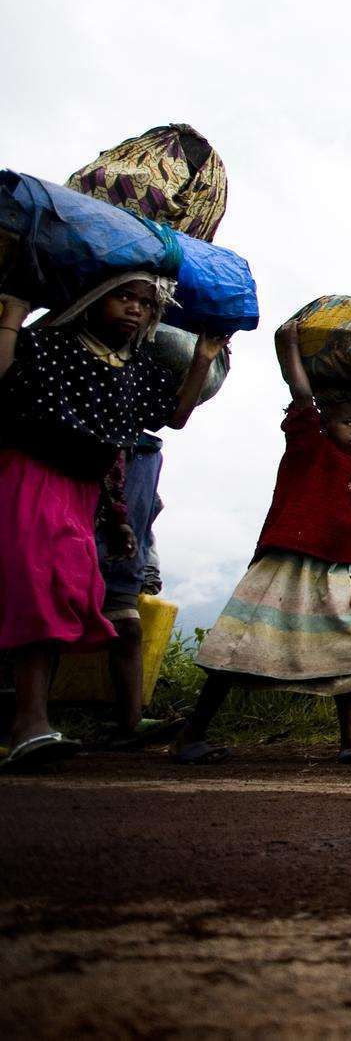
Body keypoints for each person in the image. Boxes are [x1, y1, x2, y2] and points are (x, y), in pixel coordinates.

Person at [169, 319, 351, 764]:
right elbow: (302, 397)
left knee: (347, 647)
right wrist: (288, 345)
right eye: (348, 421)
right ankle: (191, 734)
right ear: (327, 421)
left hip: (338, 564)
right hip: (289, 556)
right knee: (238, 643)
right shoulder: (309, 443)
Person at [0, 276, 225, 771]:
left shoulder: (134, 366)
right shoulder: (52, 342)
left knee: (63, 592)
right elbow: (6, 381)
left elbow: (173, 416)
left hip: (83, 490)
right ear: (91, 297)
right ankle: (30, 723)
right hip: (34, 471)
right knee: (37, 592)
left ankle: (26, 722)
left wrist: (204, 358)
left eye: (147, 304)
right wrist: (13, 318)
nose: (136, 310)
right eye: (125, 297)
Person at [94, 433, 175, 749]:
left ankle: (130, 721)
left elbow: (145, 523)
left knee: (128, 625)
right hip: (83, 533)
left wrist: (149, 564)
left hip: (123, 559)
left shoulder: (145, 454)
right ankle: (32, 722)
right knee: (54, 622)